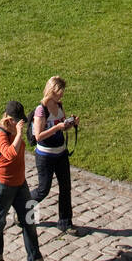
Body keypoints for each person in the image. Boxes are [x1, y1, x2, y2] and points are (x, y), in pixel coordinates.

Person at [0, 100, 50, 261]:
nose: (18, 123)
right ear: (8, 118)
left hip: (20, 183)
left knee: (29, 219)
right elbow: (10, 154)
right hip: (2, 185)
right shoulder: (0, 134)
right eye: (16, 120)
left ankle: (35, 260)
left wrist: (21, 131)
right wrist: (18, 133)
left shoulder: (14, 130)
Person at [30, 76, 81, 236]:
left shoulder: (59, 105)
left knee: (65, 187)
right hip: (45, 155)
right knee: (43, 189)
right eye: (59, 92)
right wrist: (56, 127)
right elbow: (38, 136)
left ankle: (65, 222)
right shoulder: (41, 110)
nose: (61, 96)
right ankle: (24, 207)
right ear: (52, 91)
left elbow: (62, 127)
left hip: (61, 153)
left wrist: (70, 124)